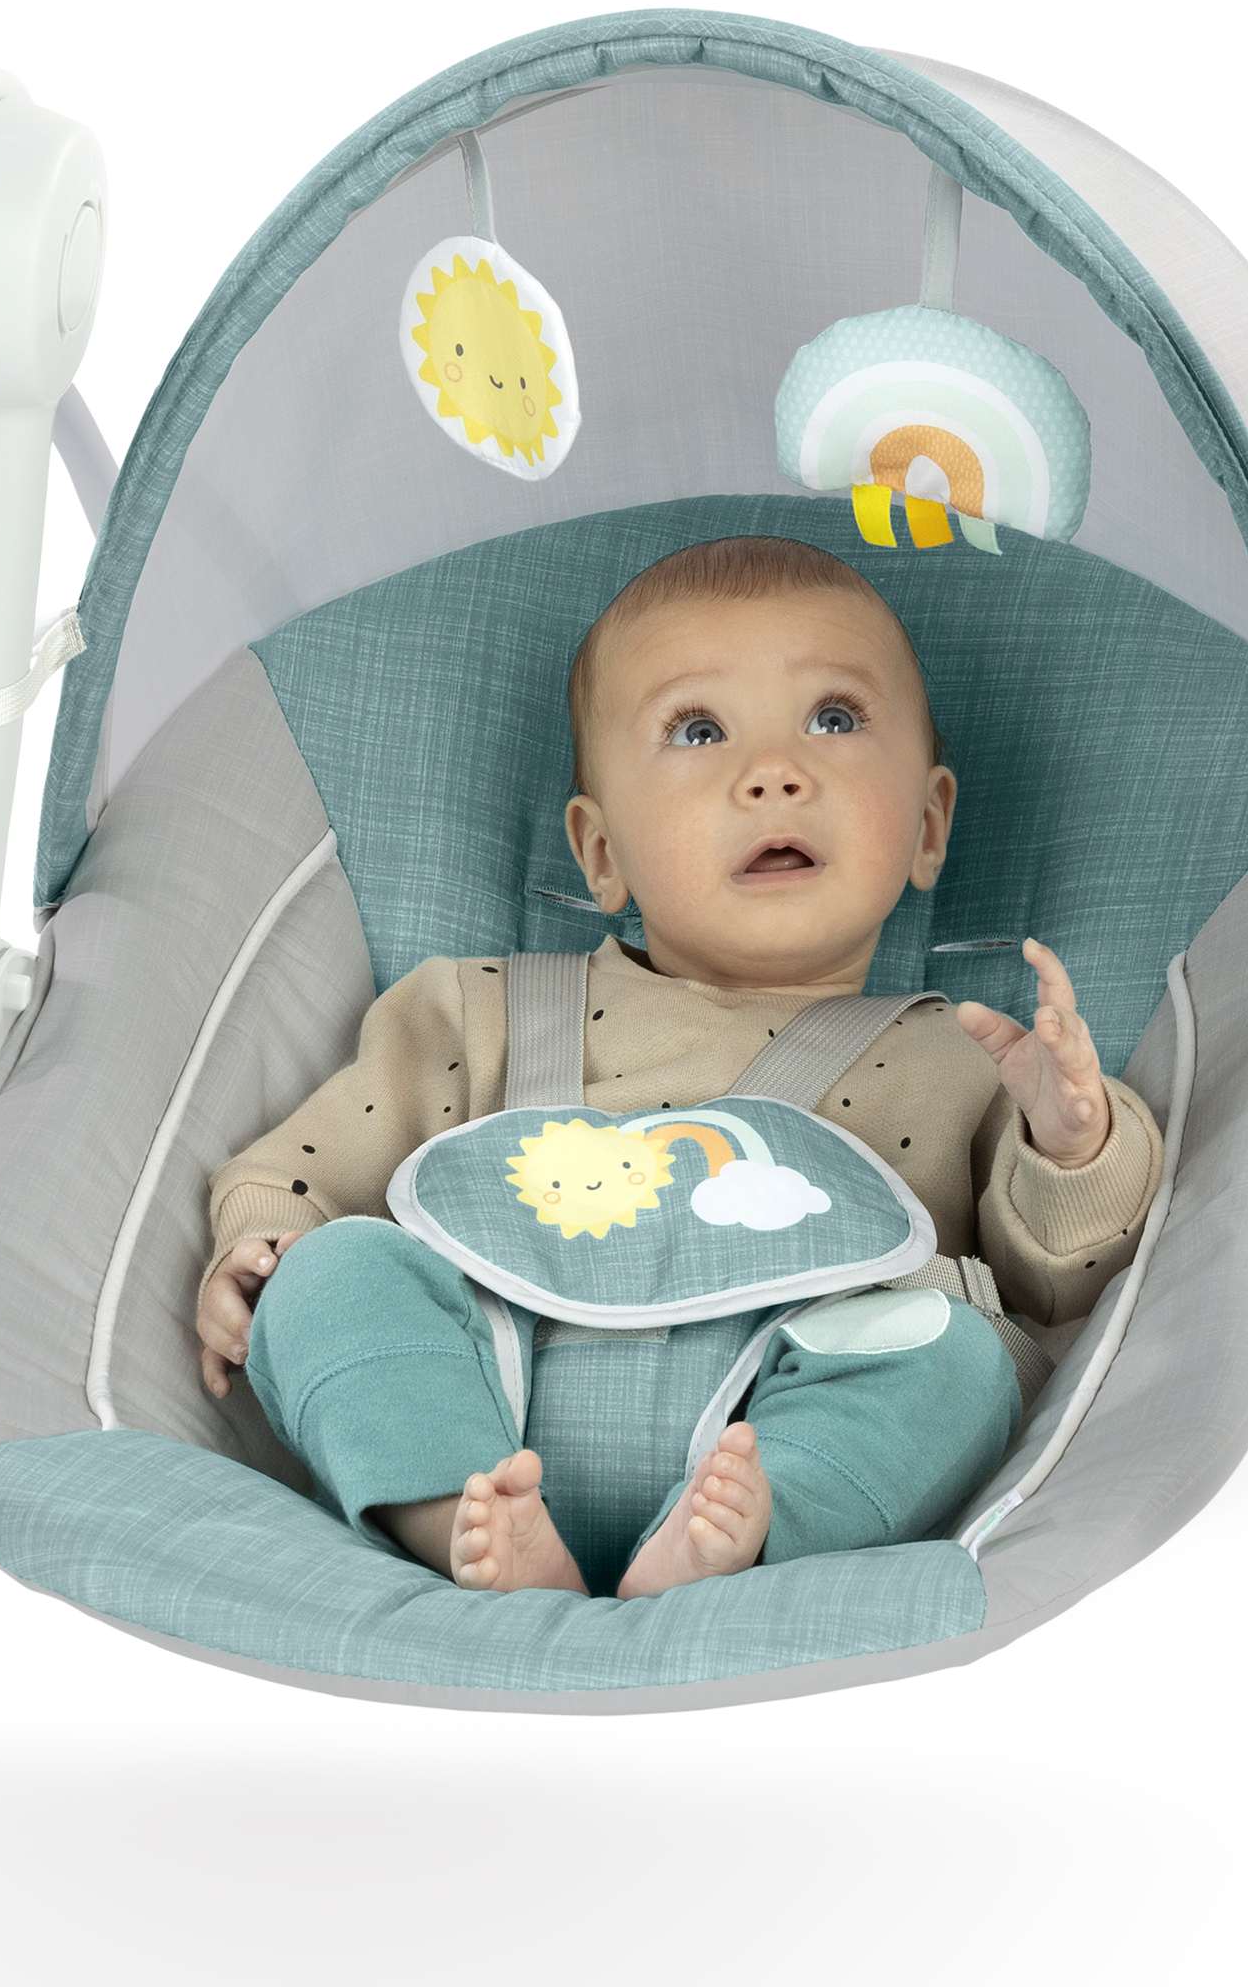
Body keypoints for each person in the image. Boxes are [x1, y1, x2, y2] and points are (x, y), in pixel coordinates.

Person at [194, 536, 1162, 1599]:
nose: (775, 773)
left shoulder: (960, 1058)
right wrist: (260, 1242)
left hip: (769, 1420)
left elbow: (1059, 1286)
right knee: (329, 1276)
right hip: (491, 1381)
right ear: (602, 853)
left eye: (833, 719)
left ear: (928, 826)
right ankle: (460, 1516)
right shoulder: (480, 1008)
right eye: (699, 730)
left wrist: (1073, 1140)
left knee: (962, 1358)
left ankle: (748, 1536)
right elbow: (310, 1165)